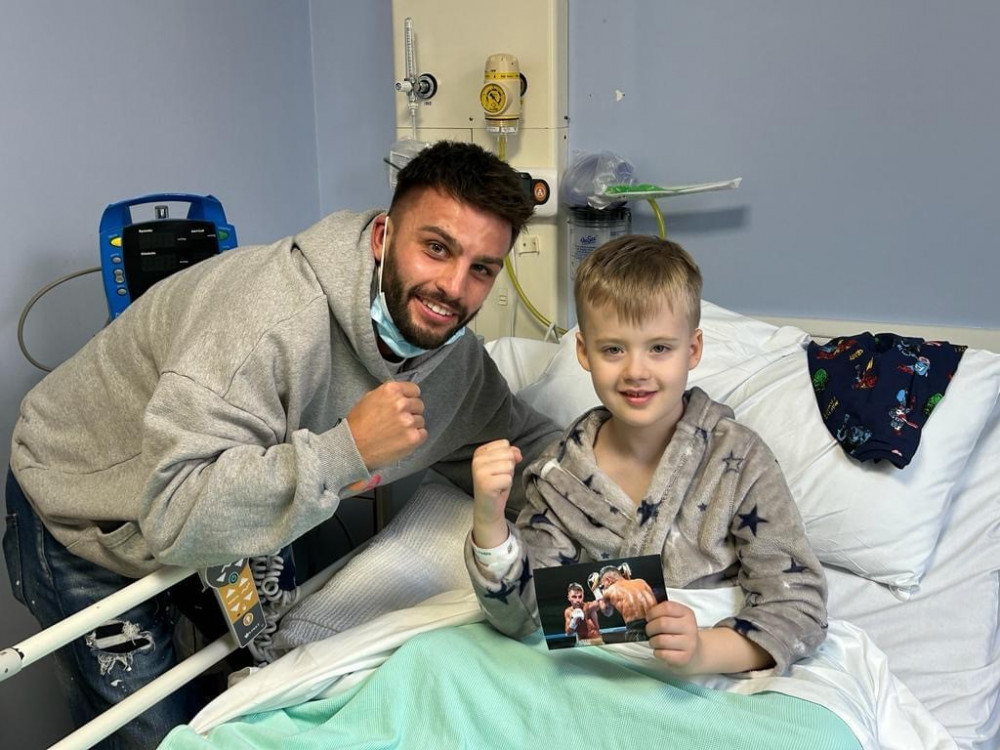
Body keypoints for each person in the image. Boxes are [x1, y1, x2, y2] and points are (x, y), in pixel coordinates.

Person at [4, 140, 561, 748]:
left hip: (216, 511)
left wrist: (630, 494)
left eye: (481, 268)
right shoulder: (271, 322)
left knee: (255, 704)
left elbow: (529, 441)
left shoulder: (454, 365)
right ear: (383, 235)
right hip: (87, 505)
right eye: (436, 248)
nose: (454, 287)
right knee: (155, 737)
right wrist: (346, 450)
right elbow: (175, 509)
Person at [466, 234, 827, 676]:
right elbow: (523, 614)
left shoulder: (739, 461)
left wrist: (703, 652)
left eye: (659, 348)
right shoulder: (560, 476)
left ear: (692, 350)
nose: (636, 371)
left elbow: (798, 603)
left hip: (714, 671)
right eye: (614, 349)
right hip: (598, 671)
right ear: (584, 352)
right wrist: (488, 519)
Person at [586, 565, 657, 642]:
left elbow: (606, 611)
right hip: (657, 623)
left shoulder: (611, 589)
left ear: (608, 580)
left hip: (637, 630)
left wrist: (596, 590)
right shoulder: (641, 582)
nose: (604, 587)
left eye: (603, 585)